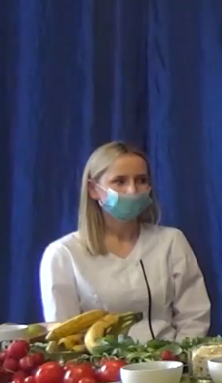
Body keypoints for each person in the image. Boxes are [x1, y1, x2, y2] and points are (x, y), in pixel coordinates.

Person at [39, 141, 212, 341]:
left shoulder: (171, 242)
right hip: (99, 360)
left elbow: (194, 317)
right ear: (93, 189)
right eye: (120, 181)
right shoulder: (63, 254)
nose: (132, 190)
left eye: (141, 180)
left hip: (170, 357)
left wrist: (179, 355)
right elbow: (63, 334)